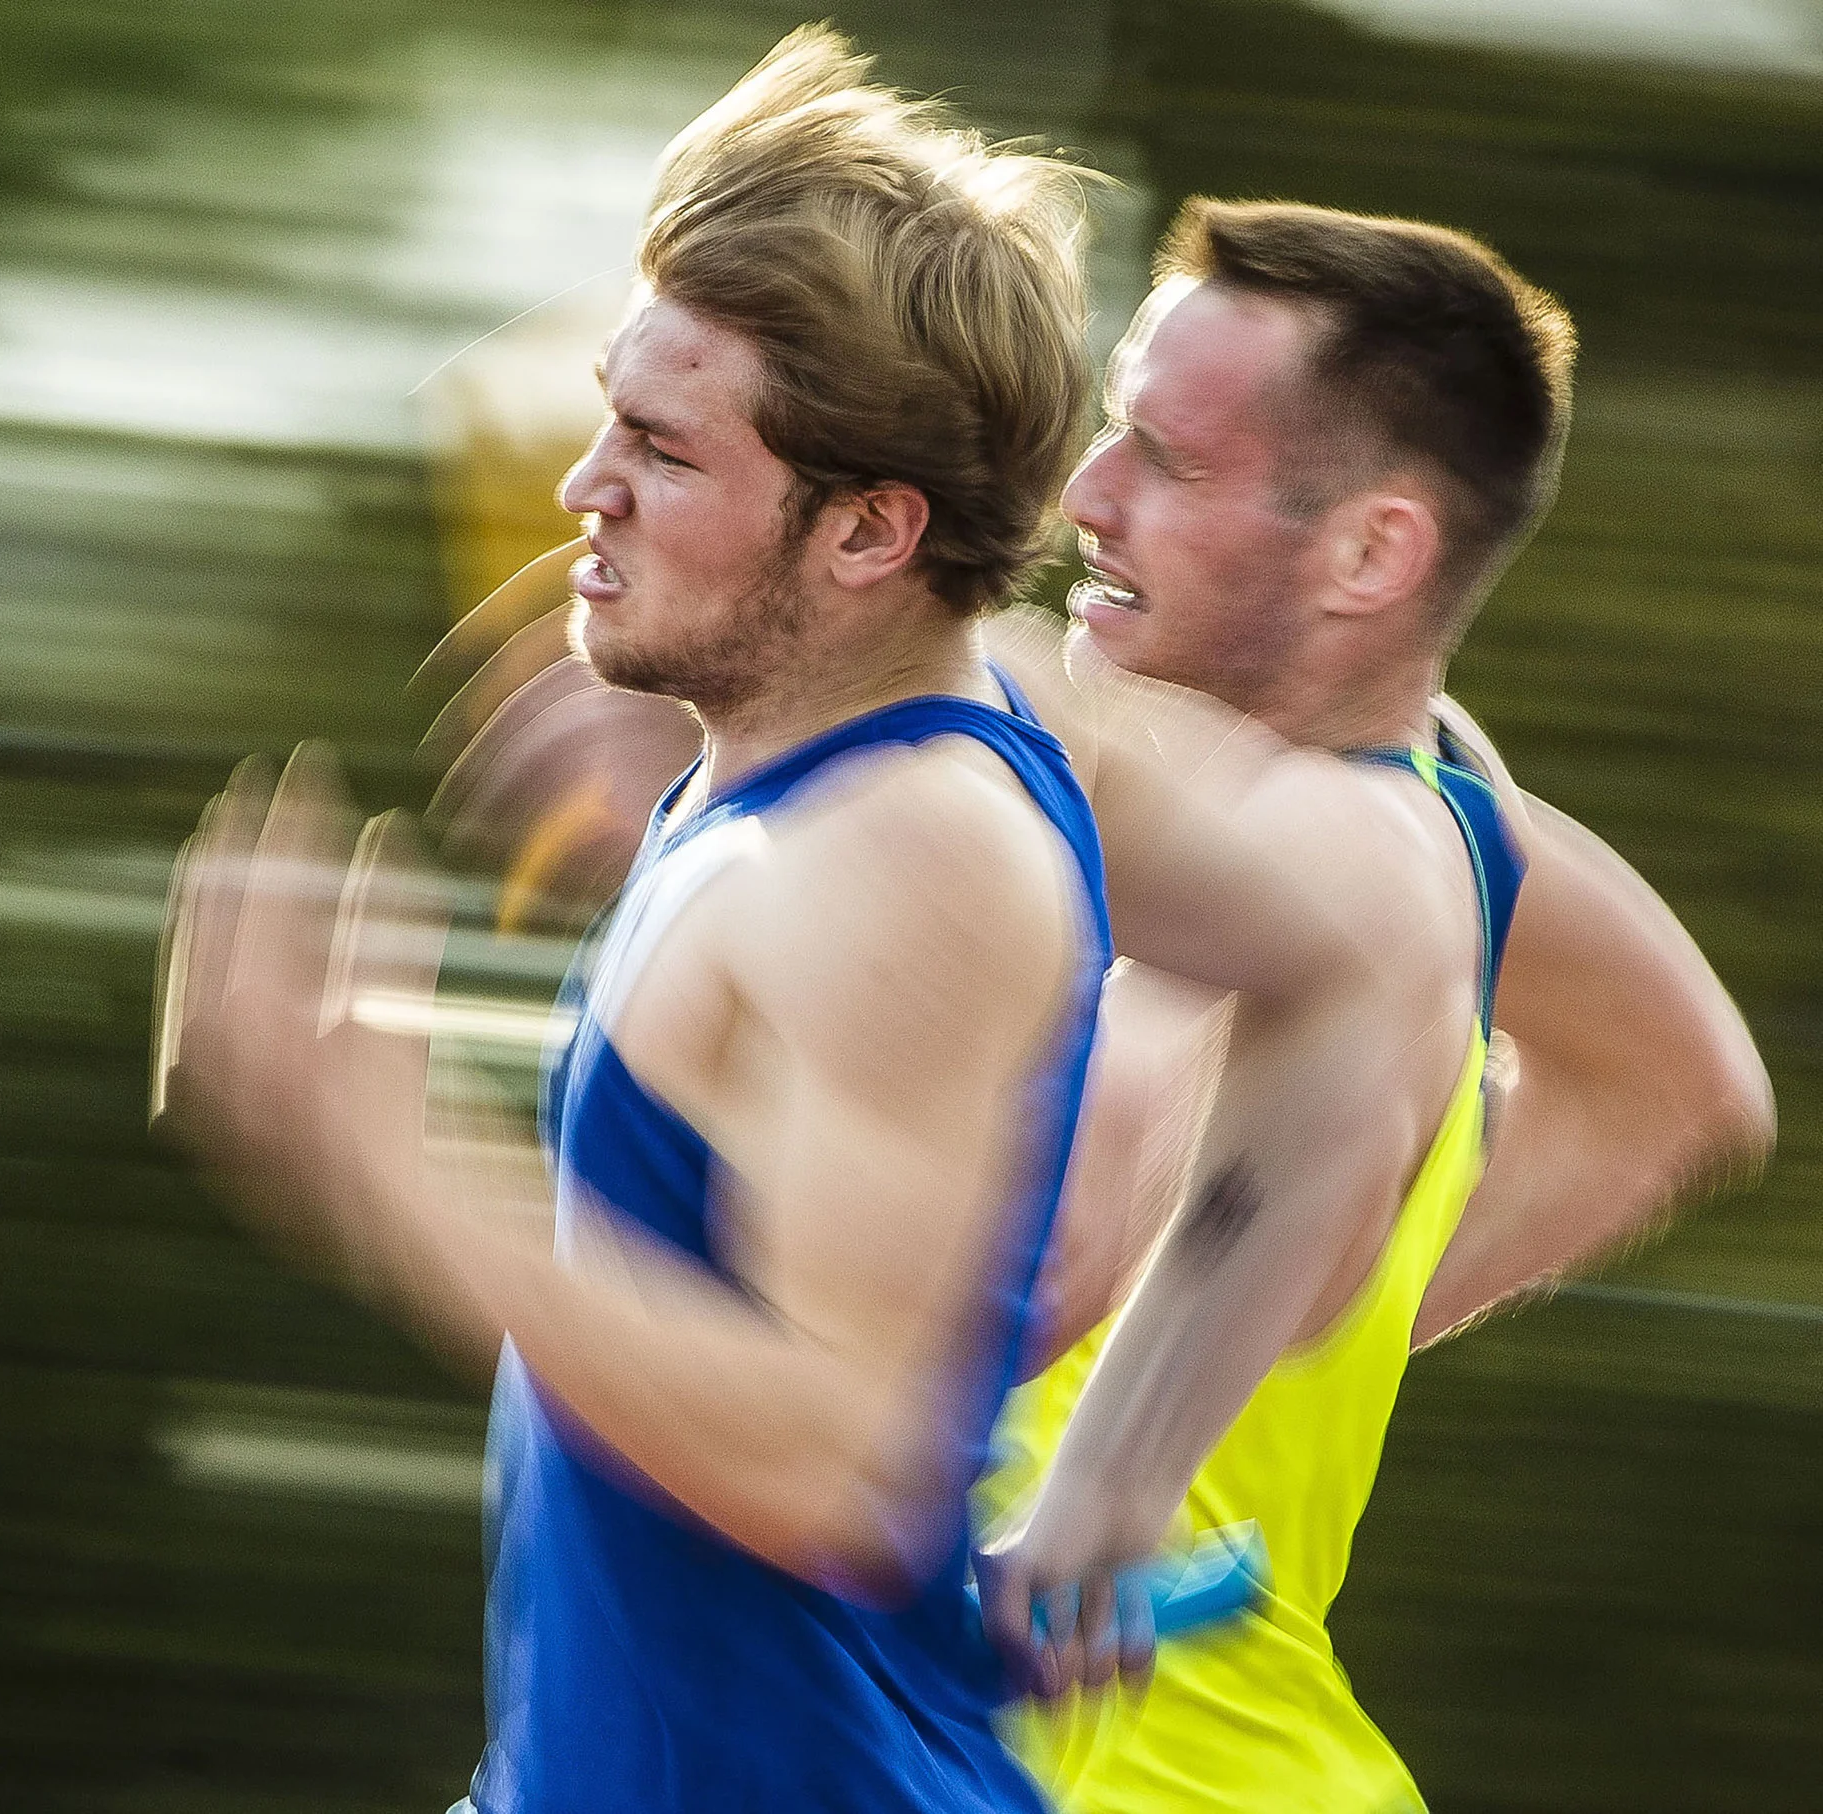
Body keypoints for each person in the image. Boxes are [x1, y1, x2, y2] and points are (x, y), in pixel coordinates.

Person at [156, 31, 1465, 1812]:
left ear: (866, 533)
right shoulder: (920, 746)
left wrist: (385, 1155)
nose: (581, 491)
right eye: (610, 415)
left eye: (661, 450)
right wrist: (1112, 1485)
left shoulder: (907, 850)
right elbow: (1350, 966)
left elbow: (835, 1470)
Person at [986, 201, 1776, 1811]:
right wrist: (1319, 1294)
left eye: (1167, 460)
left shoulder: (1338, 869)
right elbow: (1691, 1085)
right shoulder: (1454, 816)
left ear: (1372, 553)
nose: (1087, 497)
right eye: (1107, 435)